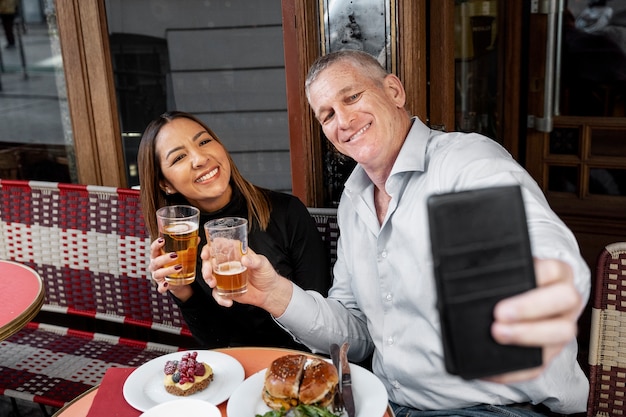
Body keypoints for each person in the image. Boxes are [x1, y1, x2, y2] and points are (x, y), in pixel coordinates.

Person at [203, 50, 591, 415]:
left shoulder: (464, 164)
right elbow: (354, 336)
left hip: (494, 407)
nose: (343, 121)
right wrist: (274, 294)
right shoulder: (354, 203)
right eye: (327, 115)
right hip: (385, 403)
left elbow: (545, 249)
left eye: (352, 97)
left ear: (394, 91)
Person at [139, 110, 331, 350]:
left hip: (299, 361)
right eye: (179, 158)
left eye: (204, 141)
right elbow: (215, 342)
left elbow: (322, 324)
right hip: (235, 365)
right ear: (165, 184)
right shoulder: (180, 240)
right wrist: (182, 292)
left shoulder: (287, 213)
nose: (199, 158)